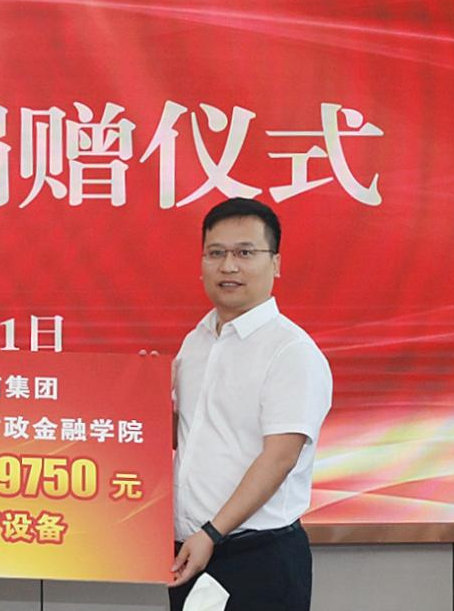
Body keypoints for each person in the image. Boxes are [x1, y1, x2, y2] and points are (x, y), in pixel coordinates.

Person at [168, 198, 332, 611]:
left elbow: (279, 458)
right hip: (191, 550)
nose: (228, 267)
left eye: (244, 253)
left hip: (257, 556)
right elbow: (186, 436)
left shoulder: (290, 351)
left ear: (275, 263)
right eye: (216, 253)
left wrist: (212, 532)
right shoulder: (195, 342)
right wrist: (144, 401)